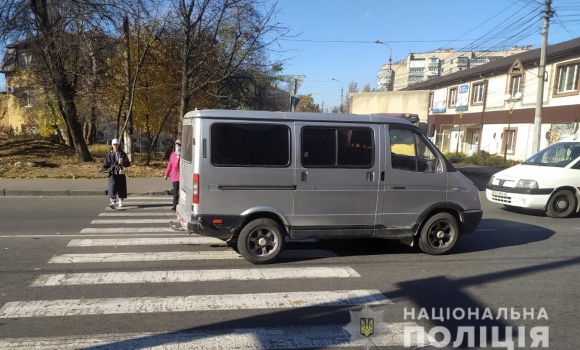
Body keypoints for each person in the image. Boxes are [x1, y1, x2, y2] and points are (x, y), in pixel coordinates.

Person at [100, 138, 130, 209]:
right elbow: (106, 163)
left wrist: (123, 163)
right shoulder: (109, 154)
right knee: (112, 185)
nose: (115, 146)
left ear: (119, 145)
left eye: (117, 144)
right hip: (112, 172)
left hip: (120, 172)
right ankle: (112, 201)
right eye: (114, 144)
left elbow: (128, 163)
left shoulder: (122, 153)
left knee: (121, 186)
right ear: (112, 145)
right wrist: (103, 168)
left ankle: (120, 200)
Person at [164, 139, 181, 211]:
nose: (178, 146)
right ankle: (175, 205)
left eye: (179, 145)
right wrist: (166, 174)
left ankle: (181, 205)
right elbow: (170, 165)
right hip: (175, 176)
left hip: (182, 177)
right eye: (177, 145)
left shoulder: (184, 155)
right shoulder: (173, 155)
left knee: (182, 192)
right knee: (175, 191)